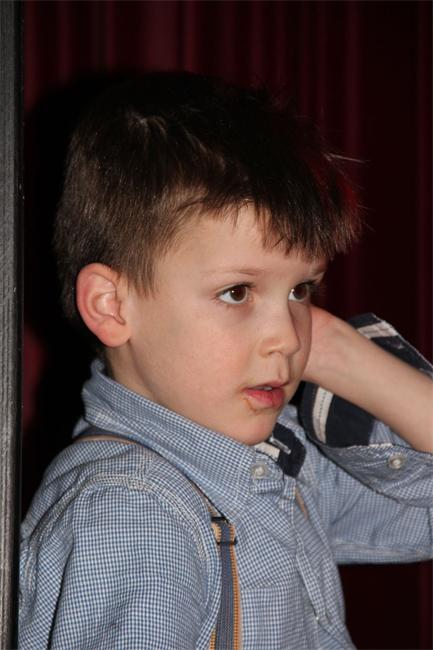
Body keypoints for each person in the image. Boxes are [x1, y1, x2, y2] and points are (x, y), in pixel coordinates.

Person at [19, 71, 432, 650]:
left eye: (301, 290)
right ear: (112, 306)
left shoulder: (274, 461)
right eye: (237, 292)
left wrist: (345, 356)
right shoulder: (134, 510)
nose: (287, 337)